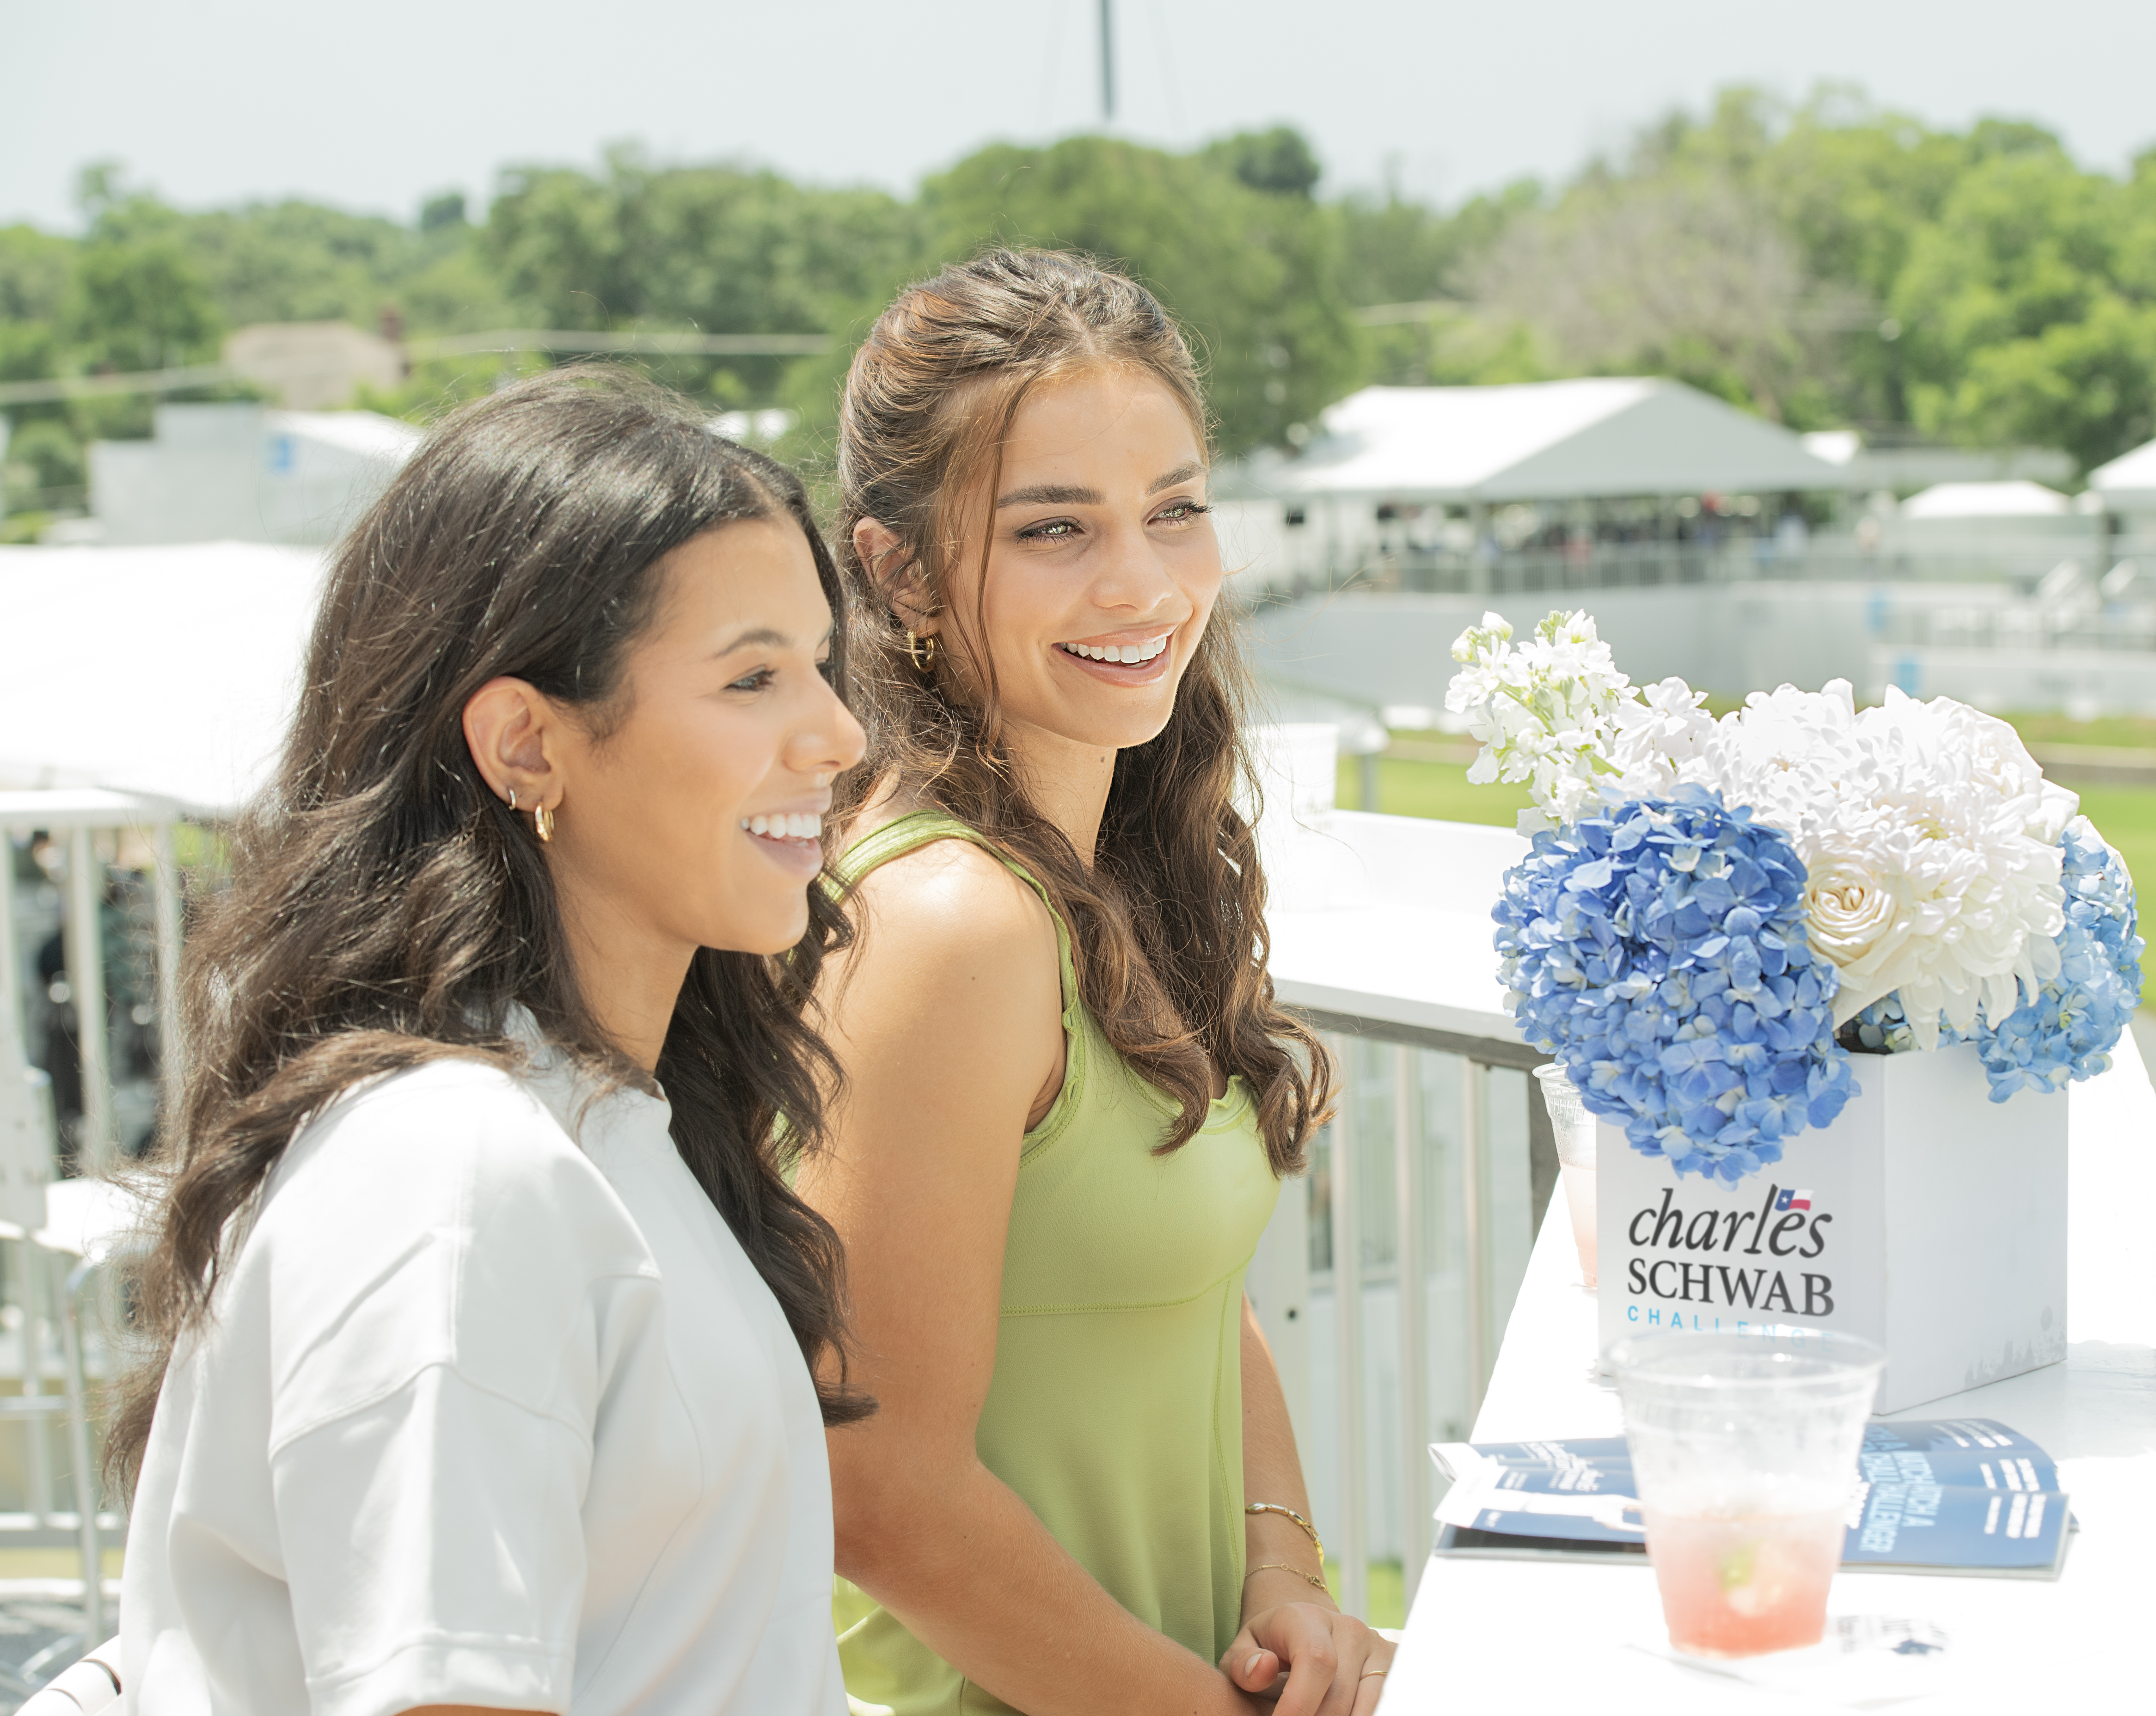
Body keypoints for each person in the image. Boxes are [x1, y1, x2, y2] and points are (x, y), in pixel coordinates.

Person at [110, 369, 870, 1716]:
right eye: (753, 676)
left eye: (823, 661)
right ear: (525, 742)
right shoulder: (455, 1175)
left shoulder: (609, 1129)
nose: (840, 734)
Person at [802, 250, 1397, 1716]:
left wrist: (1286, 1579)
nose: (1141, 583)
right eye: (1054, 528)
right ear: (898, 571)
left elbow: (1186, 1281)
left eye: (1176, 511)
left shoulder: (1117, 862)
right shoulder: (949, 923)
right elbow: (879, 1495)